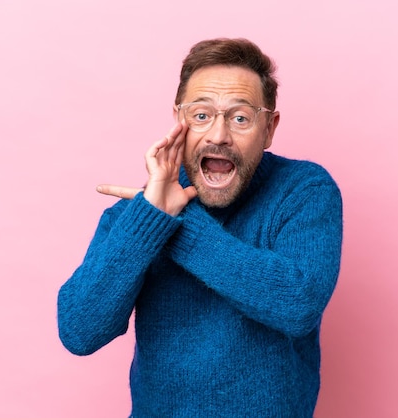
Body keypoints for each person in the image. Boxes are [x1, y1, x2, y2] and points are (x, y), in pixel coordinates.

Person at [57, 38, 343, 417]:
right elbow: (80, 330)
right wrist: (148, 221)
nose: (219, 135)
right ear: (180, 120)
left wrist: (176, 223)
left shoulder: (304, 191)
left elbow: (298, 304)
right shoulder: (140, 216)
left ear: (269, 128)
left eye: (240, 118)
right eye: (201, 115)